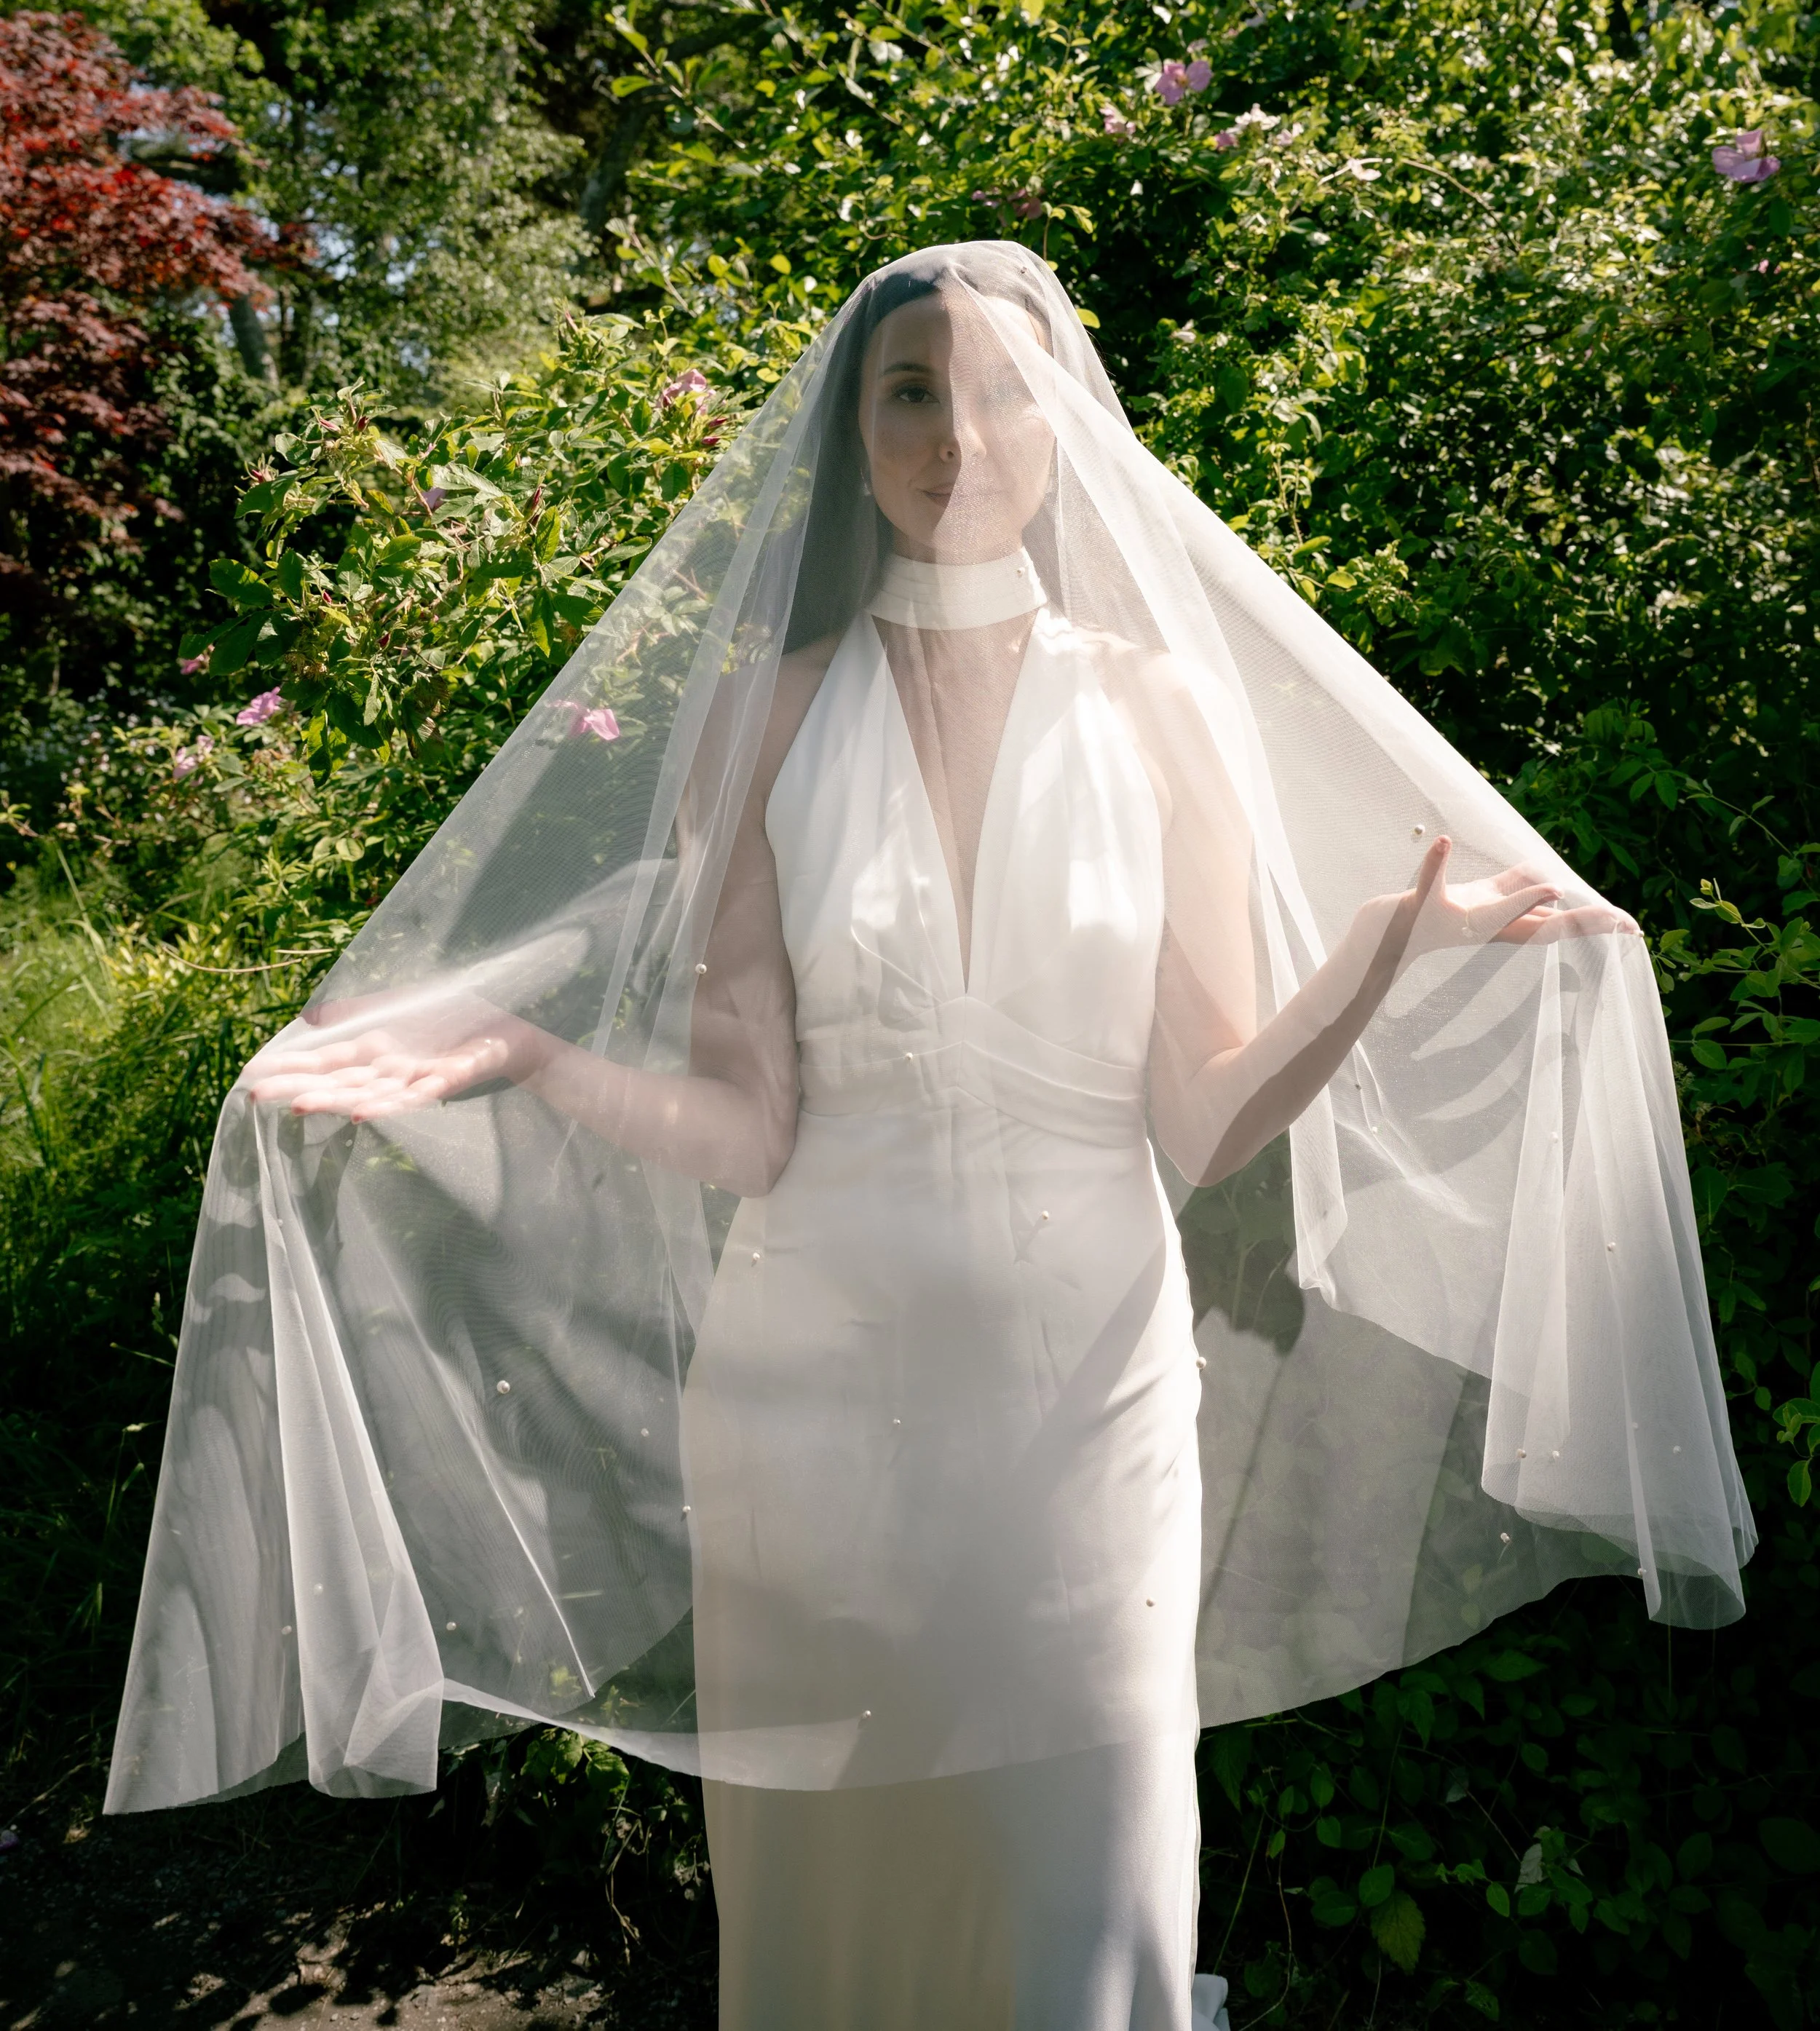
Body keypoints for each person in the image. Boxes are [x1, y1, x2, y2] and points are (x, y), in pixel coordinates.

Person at [106, 245, 1754, 2031]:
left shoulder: (1155, 705)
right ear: (853, 429)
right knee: (836, 1938)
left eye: (994, 391)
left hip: (1086, 1411)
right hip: (804, 1420)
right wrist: (523, 1050)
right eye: (910, 390)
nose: (955, 436)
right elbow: (745, 1131)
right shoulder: (767, 708)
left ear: (1062, 428)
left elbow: (1203, 1124)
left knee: (1083, 1904)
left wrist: (1374, 951)